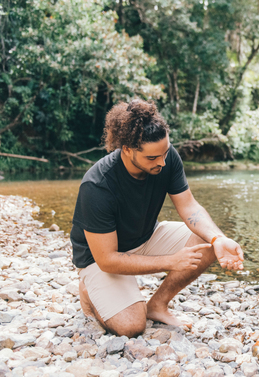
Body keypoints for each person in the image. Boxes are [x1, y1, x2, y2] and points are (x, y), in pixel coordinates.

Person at [70, 99, 244, 338]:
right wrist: (171, 261)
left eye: (164, 153)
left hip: (145, 238)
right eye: (152, 158)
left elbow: (189, 207)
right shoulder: (98, 185)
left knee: (208, 242)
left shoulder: (165, 156)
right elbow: (107, 260)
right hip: (100, 258)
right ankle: (90, 291)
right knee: (131, 327)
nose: (162, 162)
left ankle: (157, 305)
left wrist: (218, 238)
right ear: (127, 149)